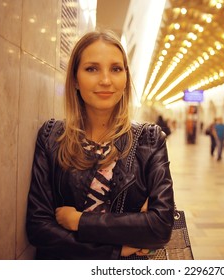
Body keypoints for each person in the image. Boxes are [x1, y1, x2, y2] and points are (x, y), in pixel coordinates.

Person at [26, 30, 174, 260]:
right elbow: (39, 228)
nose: (105, 80)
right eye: (92, 69)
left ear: (125, 78)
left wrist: (79, 221)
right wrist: (115, 250)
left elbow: (160, 226)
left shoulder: (149, 140)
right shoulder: (51, 136)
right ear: (75, 79)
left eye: (115, 69)